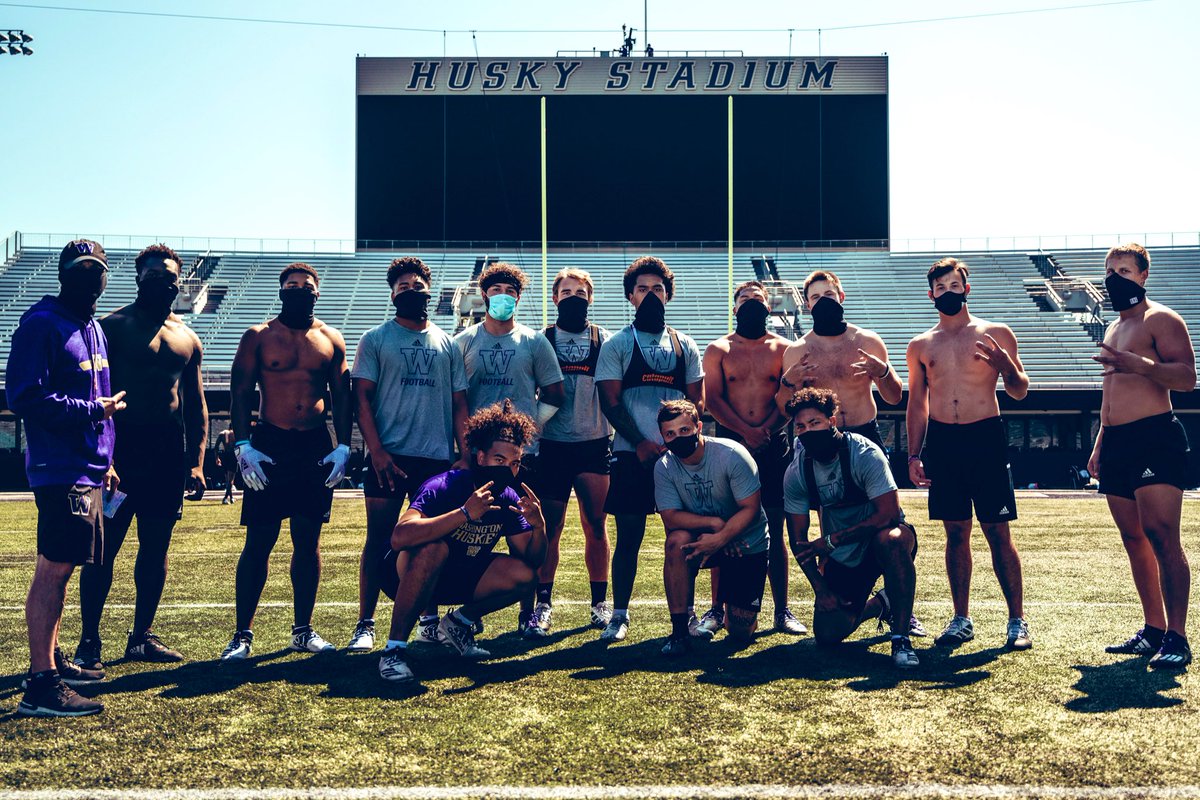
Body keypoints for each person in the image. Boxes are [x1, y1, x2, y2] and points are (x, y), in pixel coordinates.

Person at [74, 244, 208, 670]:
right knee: (102, 550)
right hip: (119, 455)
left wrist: (196, 462)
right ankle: (89, 643)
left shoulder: (187, 337)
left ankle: (140, 637)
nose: (162, 283)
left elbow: (196, 405)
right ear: (137, 279)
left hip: (165, 457)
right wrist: (104, 457)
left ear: (178, 282)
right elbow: (92, 394)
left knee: (156, 548)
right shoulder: (111, 327)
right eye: (152, 276)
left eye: (168, 277)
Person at [7, 239, 125, 716]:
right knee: (53, 570)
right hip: (61, 468)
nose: (89, 276)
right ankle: (41, 684)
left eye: (96, 268)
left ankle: (51, 658)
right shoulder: (40, 324)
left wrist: (107, 458)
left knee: (64, 566)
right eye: (80, 268)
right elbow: (25, 397)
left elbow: (98, 395)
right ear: (62, 274)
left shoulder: (92, 326)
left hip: (88, 467)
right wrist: (93, 410)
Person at [220, 262, 352, 661]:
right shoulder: (258, 336)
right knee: (258, 541)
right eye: (291, 285)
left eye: (306, 285)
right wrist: (243, 444)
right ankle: (242, 634)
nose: (299, 290)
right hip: (269, 443)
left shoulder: (331, 338)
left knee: (308, 542)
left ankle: (302, 629)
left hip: (313, 444)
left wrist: (344, 446)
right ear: (281, 291)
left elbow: (342, 396)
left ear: (317, 291)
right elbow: (240, 391)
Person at [905, 257, 1032, 650]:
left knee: (997, 532)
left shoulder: (995, 333)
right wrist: (913, 455)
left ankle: (1017, 620)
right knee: (955, 532)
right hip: (944, 442)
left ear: (966, 288)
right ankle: (961, 618)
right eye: (940, 288)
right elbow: (917, 404)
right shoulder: (921, 344)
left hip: (985, 437)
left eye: (953, 285)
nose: (947, 292)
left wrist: (1006, 365)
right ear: (931, 295)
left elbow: (1019, 389)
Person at [347, 257, 468, 653]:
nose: (411, 290)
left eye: (417, 284)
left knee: (430, 538)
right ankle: (365, 623)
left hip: (434, 459)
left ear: (429, 290)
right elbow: (360, 398)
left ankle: (429, 620)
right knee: (378, 539)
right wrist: (376, 451)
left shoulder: (447, 343)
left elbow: (459, 404)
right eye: (402, 286)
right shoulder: (376, 338)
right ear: (392, 293)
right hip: (389, 456)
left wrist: (464, 454)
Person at [375, 401, 547, 682]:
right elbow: (399, 537)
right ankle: (393, 651)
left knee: (525, 576)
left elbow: (531, 561)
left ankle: (458, 623)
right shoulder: (446, 485)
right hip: (402, 575)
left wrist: (539, 528)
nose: (508, 470)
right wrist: (464, 514)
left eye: (514, 463)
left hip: (457, 575)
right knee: (433, 548)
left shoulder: (508, 498)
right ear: (480, 458)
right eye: (499, 460)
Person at [1088, 243, 1195, 668]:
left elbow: (1187, 378)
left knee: (1161, 535)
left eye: (1125, 271)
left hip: (1154, 437)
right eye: (1110, 270)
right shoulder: (1113, 328)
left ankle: (1178, 637)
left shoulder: (1162, 319)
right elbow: (1110, 391)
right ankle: (1153, 629)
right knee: (1133, 539)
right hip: (1116, 443)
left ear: (1143, 276)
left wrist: (1144, 366)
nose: (1116, 278)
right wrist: (1100, 442)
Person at [595, 256, 704, 642]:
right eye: (643, 289)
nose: (651, 295)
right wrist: (640, 442)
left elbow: (697, 402)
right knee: (628, 540)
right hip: (630, 456)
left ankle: (687, 615)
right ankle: (619, 614)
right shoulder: (618, 343)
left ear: (668, 295)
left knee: (684, 539)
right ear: (630, 296)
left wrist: (675, 443)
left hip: (678, 459)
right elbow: (610, 402)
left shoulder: (684, 343)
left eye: (657, 288)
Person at [453, 261, 563, 635]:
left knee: (526, 534)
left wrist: (528, 430)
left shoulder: (534, 341)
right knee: (470, 532)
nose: (504, 298)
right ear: (484, 295)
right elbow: (457, 399)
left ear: (519, 297)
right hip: (479, 457)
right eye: (497, 291)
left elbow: (554, 393)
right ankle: (467, 613)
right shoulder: (463, 342)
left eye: (511, 292)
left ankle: (529, 613)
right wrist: (465, 448)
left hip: (520, 458)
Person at [782, 388, 923, 669]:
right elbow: (799, 541)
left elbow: (889, 514)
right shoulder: (796, 472)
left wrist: (832, 540)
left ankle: (901, 638)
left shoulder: (864, 452)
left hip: (881, 539)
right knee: (828, 634)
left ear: (832, 422)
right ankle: (883, 603)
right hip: (845, 554)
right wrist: (821, 590)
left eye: (815, 423)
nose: (808, 431)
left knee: (892, 540)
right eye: (800, 426)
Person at [703, 280, 804, 638]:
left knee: (775, 529)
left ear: (768, 307)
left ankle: (781, 610)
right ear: (734, 308)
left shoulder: (784, 348)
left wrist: (765, 429)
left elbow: (791, 399)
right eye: (744, 299)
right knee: (725, 526)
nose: (751, 305)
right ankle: (716, 609)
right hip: (730, 445)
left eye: (757, 300)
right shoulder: (718, 348)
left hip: (772, 443)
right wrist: (745, 431)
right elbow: (712, 400)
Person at [524, 268, 614, 636]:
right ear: (554, 297)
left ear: (590, 297)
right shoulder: (540, 340)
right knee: (551, 530)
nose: (573, 296)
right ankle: (543, 604)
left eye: (580, 291)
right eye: (566, 290)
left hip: (594, 444)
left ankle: (599, 603)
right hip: (552, 447)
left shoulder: (605, 339)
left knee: (596, 525)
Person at [655, 400, 770, 656]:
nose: (678, 438)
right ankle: (680, 632)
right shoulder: (664, 466)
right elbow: (671, 518)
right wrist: (714, 525)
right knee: (676, 541)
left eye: (684, 430)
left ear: (698, 426)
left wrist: (722, 537)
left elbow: (751, 509)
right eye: (670, 434)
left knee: (739, 632)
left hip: (744, 541)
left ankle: (734, 610)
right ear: (662, 436)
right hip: (706, 537)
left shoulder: (731, 454)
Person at [776, 270, 903, 453]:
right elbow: (786, 410)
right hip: (820, 436)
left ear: (841, 296)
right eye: (816, 297)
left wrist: (883, 372)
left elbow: (894, 398)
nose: (823, 301)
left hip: (865, 432)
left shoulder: (868, 341)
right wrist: (787, 382)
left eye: (829, 294)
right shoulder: (797, 351)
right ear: (808, 304)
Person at [216, 429, 237, 504]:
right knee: (231, 479)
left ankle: (231, 498)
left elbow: (216, 447)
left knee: (227, 479)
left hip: (225, 456)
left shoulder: (222, 433)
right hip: (233, 456)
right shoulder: (235, 433)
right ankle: (225, 498)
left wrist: (217, 458)